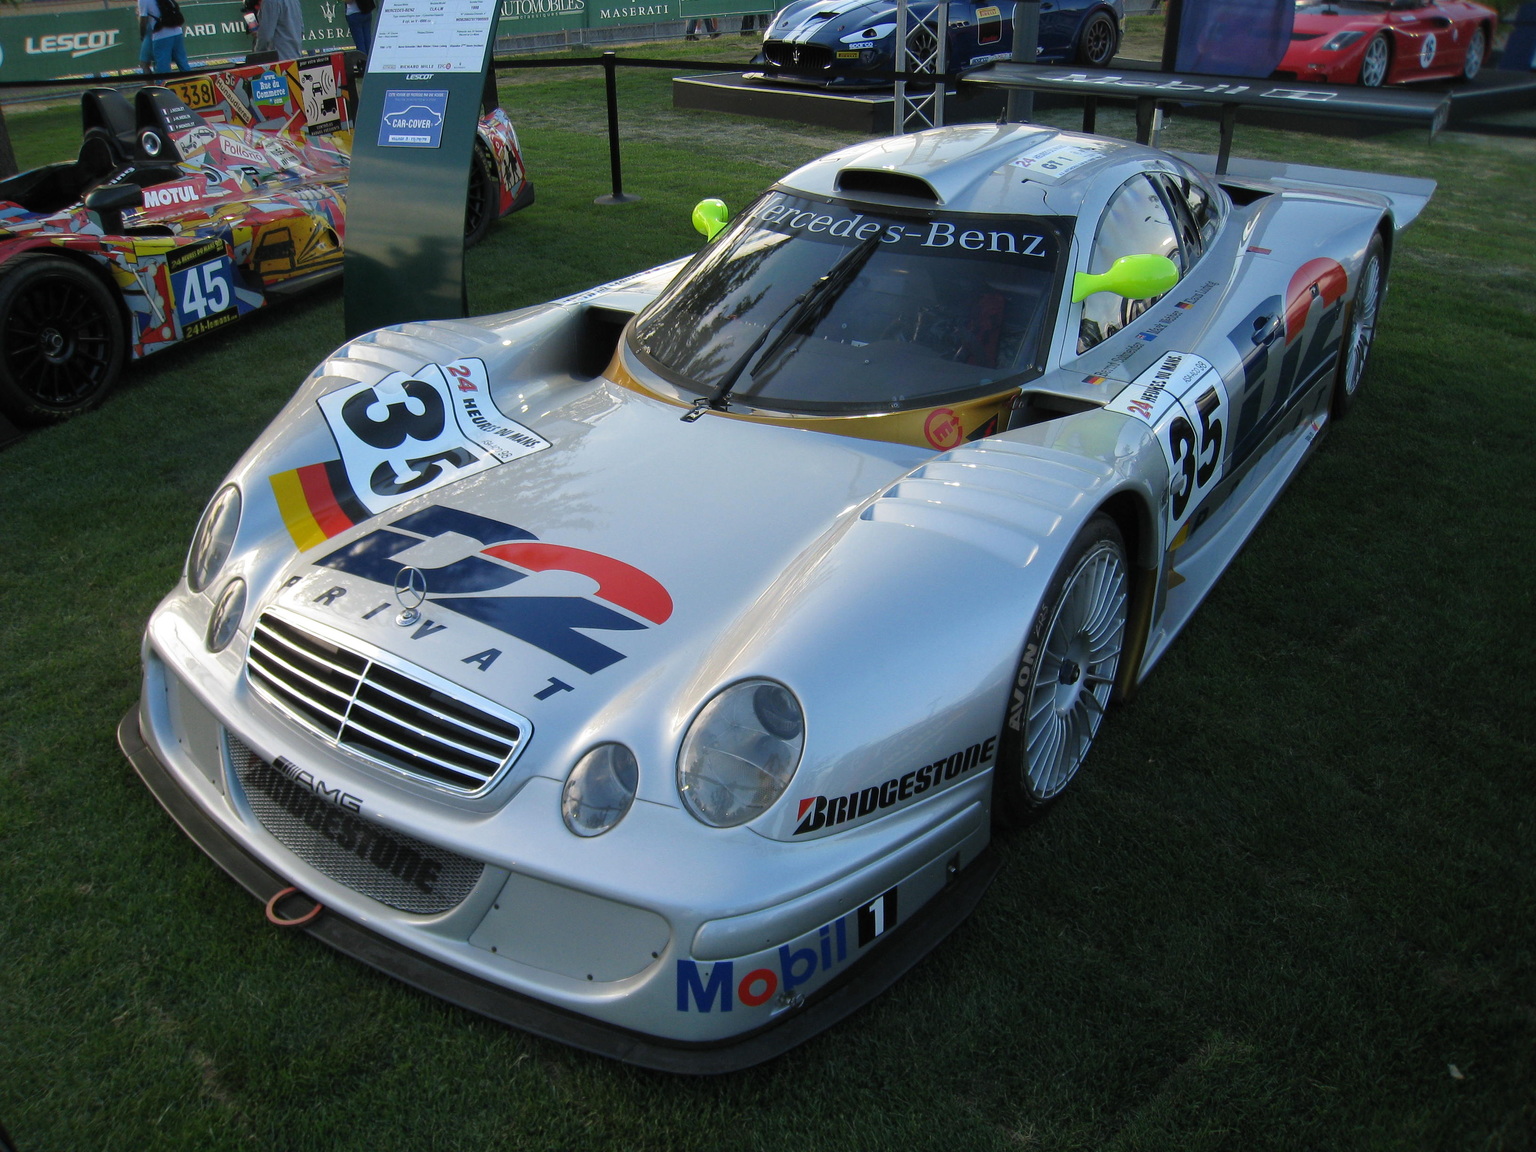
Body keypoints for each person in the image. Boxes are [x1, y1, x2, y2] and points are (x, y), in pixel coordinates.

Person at [137, 0, 189, 74]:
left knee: (163, 68)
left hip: (161, 36)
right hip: (177, 32)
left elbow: (143, 20)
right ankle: (191, 81)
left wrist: (142, 36)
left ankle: (162, 85)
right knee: (183, 63)